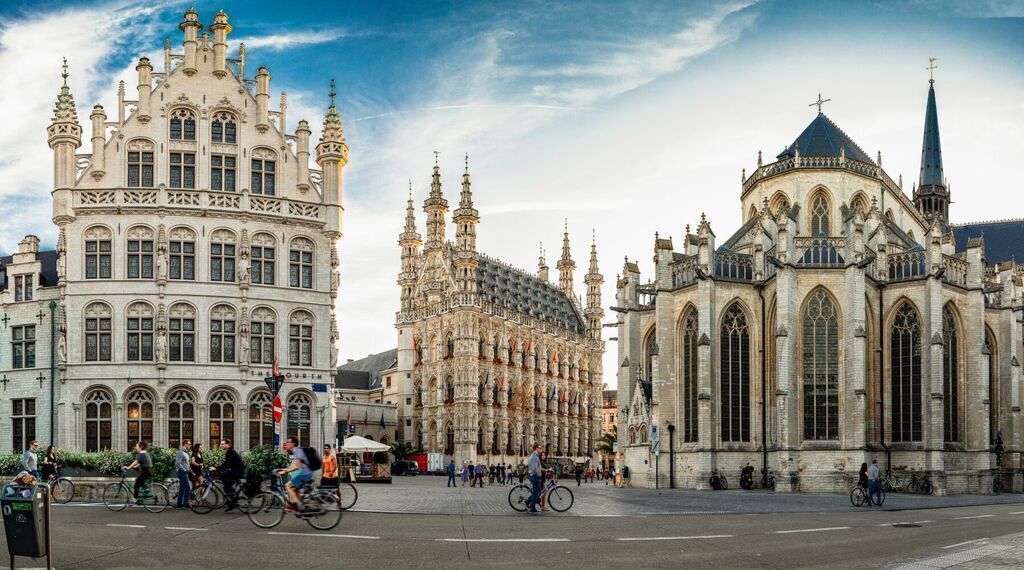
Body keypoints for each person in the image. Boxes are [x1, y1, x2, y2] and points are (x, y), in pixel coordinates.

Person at [276, 436, 314, 511]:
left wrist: (285, 471)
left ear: (293, 444)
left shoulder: (298, 451)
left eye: (288, 442)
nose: (287, 443)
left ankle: (295, 505)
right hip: (306, 474)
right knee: (295, 490)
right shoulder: (296, 451)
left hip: (305, 474)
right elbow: (294, 465)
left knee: (288, 486)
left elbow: (297, 466)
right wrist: (284, 469)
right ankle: (303, 508)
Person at [217, 439, 246, 512]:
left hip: (238, 471)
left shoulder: (230, 452)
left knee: (222, 476)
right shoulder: (229, 452)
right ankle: (231, 503)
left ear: (228, 445)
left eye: (223, 444)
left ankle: (233, 494)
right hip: (236, 471)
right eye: (221, 444)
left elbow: (227, 463)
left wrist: (217, 469)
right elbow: (226, 463)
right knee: (226, 486)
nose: (221, 446)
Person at [174, 440, 192, 509]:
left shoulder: (187, 453)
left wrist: (191, 472)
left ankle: (179, 504)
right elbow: (177, 463)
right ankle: (185, 503)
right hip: (182, 473)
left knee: (182, 488)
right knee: (188, 488)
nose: (190, 445)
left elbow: (187, 464)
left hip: (185, 472)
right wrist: (184, 470)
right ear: (185, 444)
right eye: (189, 444)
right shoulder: (180, 452)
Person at [527, 444, 542, 513]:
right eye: (540, 448)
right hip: (534, 476)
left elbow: (538, 467)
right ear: (536, 448)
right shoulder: (534, 457)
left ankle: (527, 502)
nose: (541, 449)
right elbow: (534, 468)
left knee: (537, 492)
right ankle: (532, 508)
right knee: (536, 492)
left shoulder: (535, 456)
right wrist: (539, 475)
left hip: (534, 475)